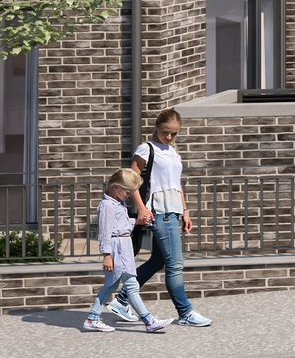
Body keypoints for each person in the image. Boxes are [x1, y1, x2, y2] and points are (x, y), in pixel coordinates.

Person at [117, 109, 210, 328]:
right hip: (158, 211)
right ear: (157, 127)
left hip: (173, 211)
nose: (168, 137)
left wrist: (185, 211)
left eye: (173, 134)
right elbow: (132, 182)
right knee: (175, 265)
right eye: (165, 132)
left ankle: (121, 300)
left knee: (158, 260)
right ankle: (185, 312)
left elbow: (176, 184)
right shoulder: (147, 149)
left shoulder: (172, 152)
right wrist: (140, 209)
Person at [86, 168, 166, 333]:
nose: (129, 196)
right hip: (118, 249)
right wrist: (107, 255)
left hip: (123, 247)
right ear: (116, 186)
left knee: (110, 286)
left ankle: (92, 318)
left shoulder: (117, 203)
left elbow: (120, 225)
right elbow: (105, 232)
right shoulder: (107, 206)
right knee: (131, 285)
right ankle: (148, 320)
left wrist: (136, 221)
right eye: (127, 192)